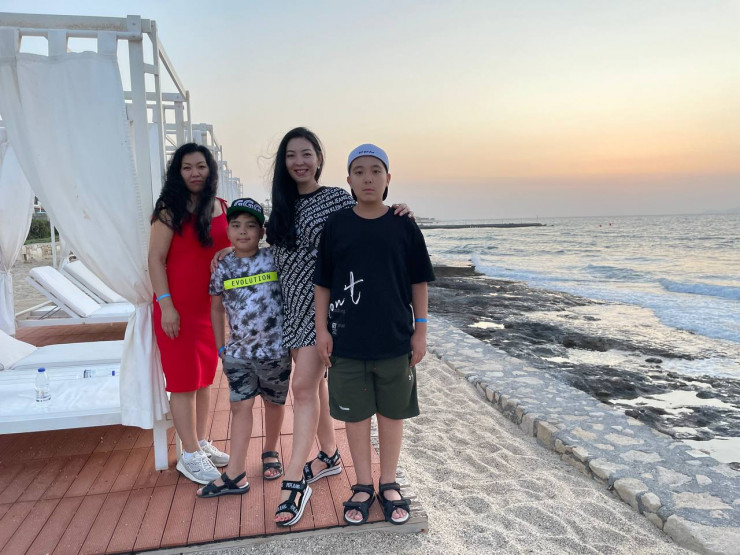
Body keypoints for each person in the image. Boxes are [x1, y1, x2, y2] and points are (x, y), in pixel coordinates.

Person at [263, 128, 412, 526]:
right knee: (315, 387)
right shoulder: (279, 205)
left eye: (306, 153)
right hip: (289, 310)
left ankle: (294, 480)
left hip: (328, 309)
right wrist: (231, 250)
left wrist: (399, 213)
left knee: (302, 388)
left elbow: (368, 221)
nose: (299, 162)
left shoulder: (336, 199)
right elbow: (268, 251)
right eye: (291, 155)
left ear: (319, 158)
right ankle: (329, 455)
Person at [314, 144, 434, 525]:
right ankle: (363, 484)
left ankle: (388, 482)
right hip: (347, 341)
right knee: (356, 416)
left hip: (395, 340)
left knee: (392, 414)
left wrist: (420, 331)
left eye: (376, 171)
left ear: (388, 178)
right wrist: (321, 329)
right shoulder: (336, 225)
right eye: (359, 171)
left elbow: (418, 282)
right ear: (349, 180)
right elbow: (322, 284)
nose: (368, 178)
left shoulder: (403, 224)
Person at [197, 198, 292, 498]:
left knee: (274, 404)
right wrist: (220, 348)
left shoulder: (274, 258)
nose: (243, 231)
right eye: (236, 225)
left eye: (251, 226)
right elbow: (216, 309)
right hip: (238, 354)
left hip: (276, 352)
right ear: (227, 231)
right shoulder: (222, 266)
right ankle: (235, 473)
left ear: (262, 232)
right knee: (240, 407)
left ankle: (270, 451)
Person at [149, 142, 230, 485]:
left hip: (211, 308)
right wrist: (166, 304)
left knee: (204, 377)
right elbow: (155, 259)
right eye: (187, 167)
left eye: (201, 166)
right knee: (183, 382)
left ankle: (199, 441)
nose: (195, 173)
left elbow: (239, 245)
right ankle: (189, 454)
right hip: (178, 307)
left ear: (210, 170)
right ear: (177, 172)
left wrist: (230, 250)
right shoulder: (169, 210)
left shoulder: (223, 207)